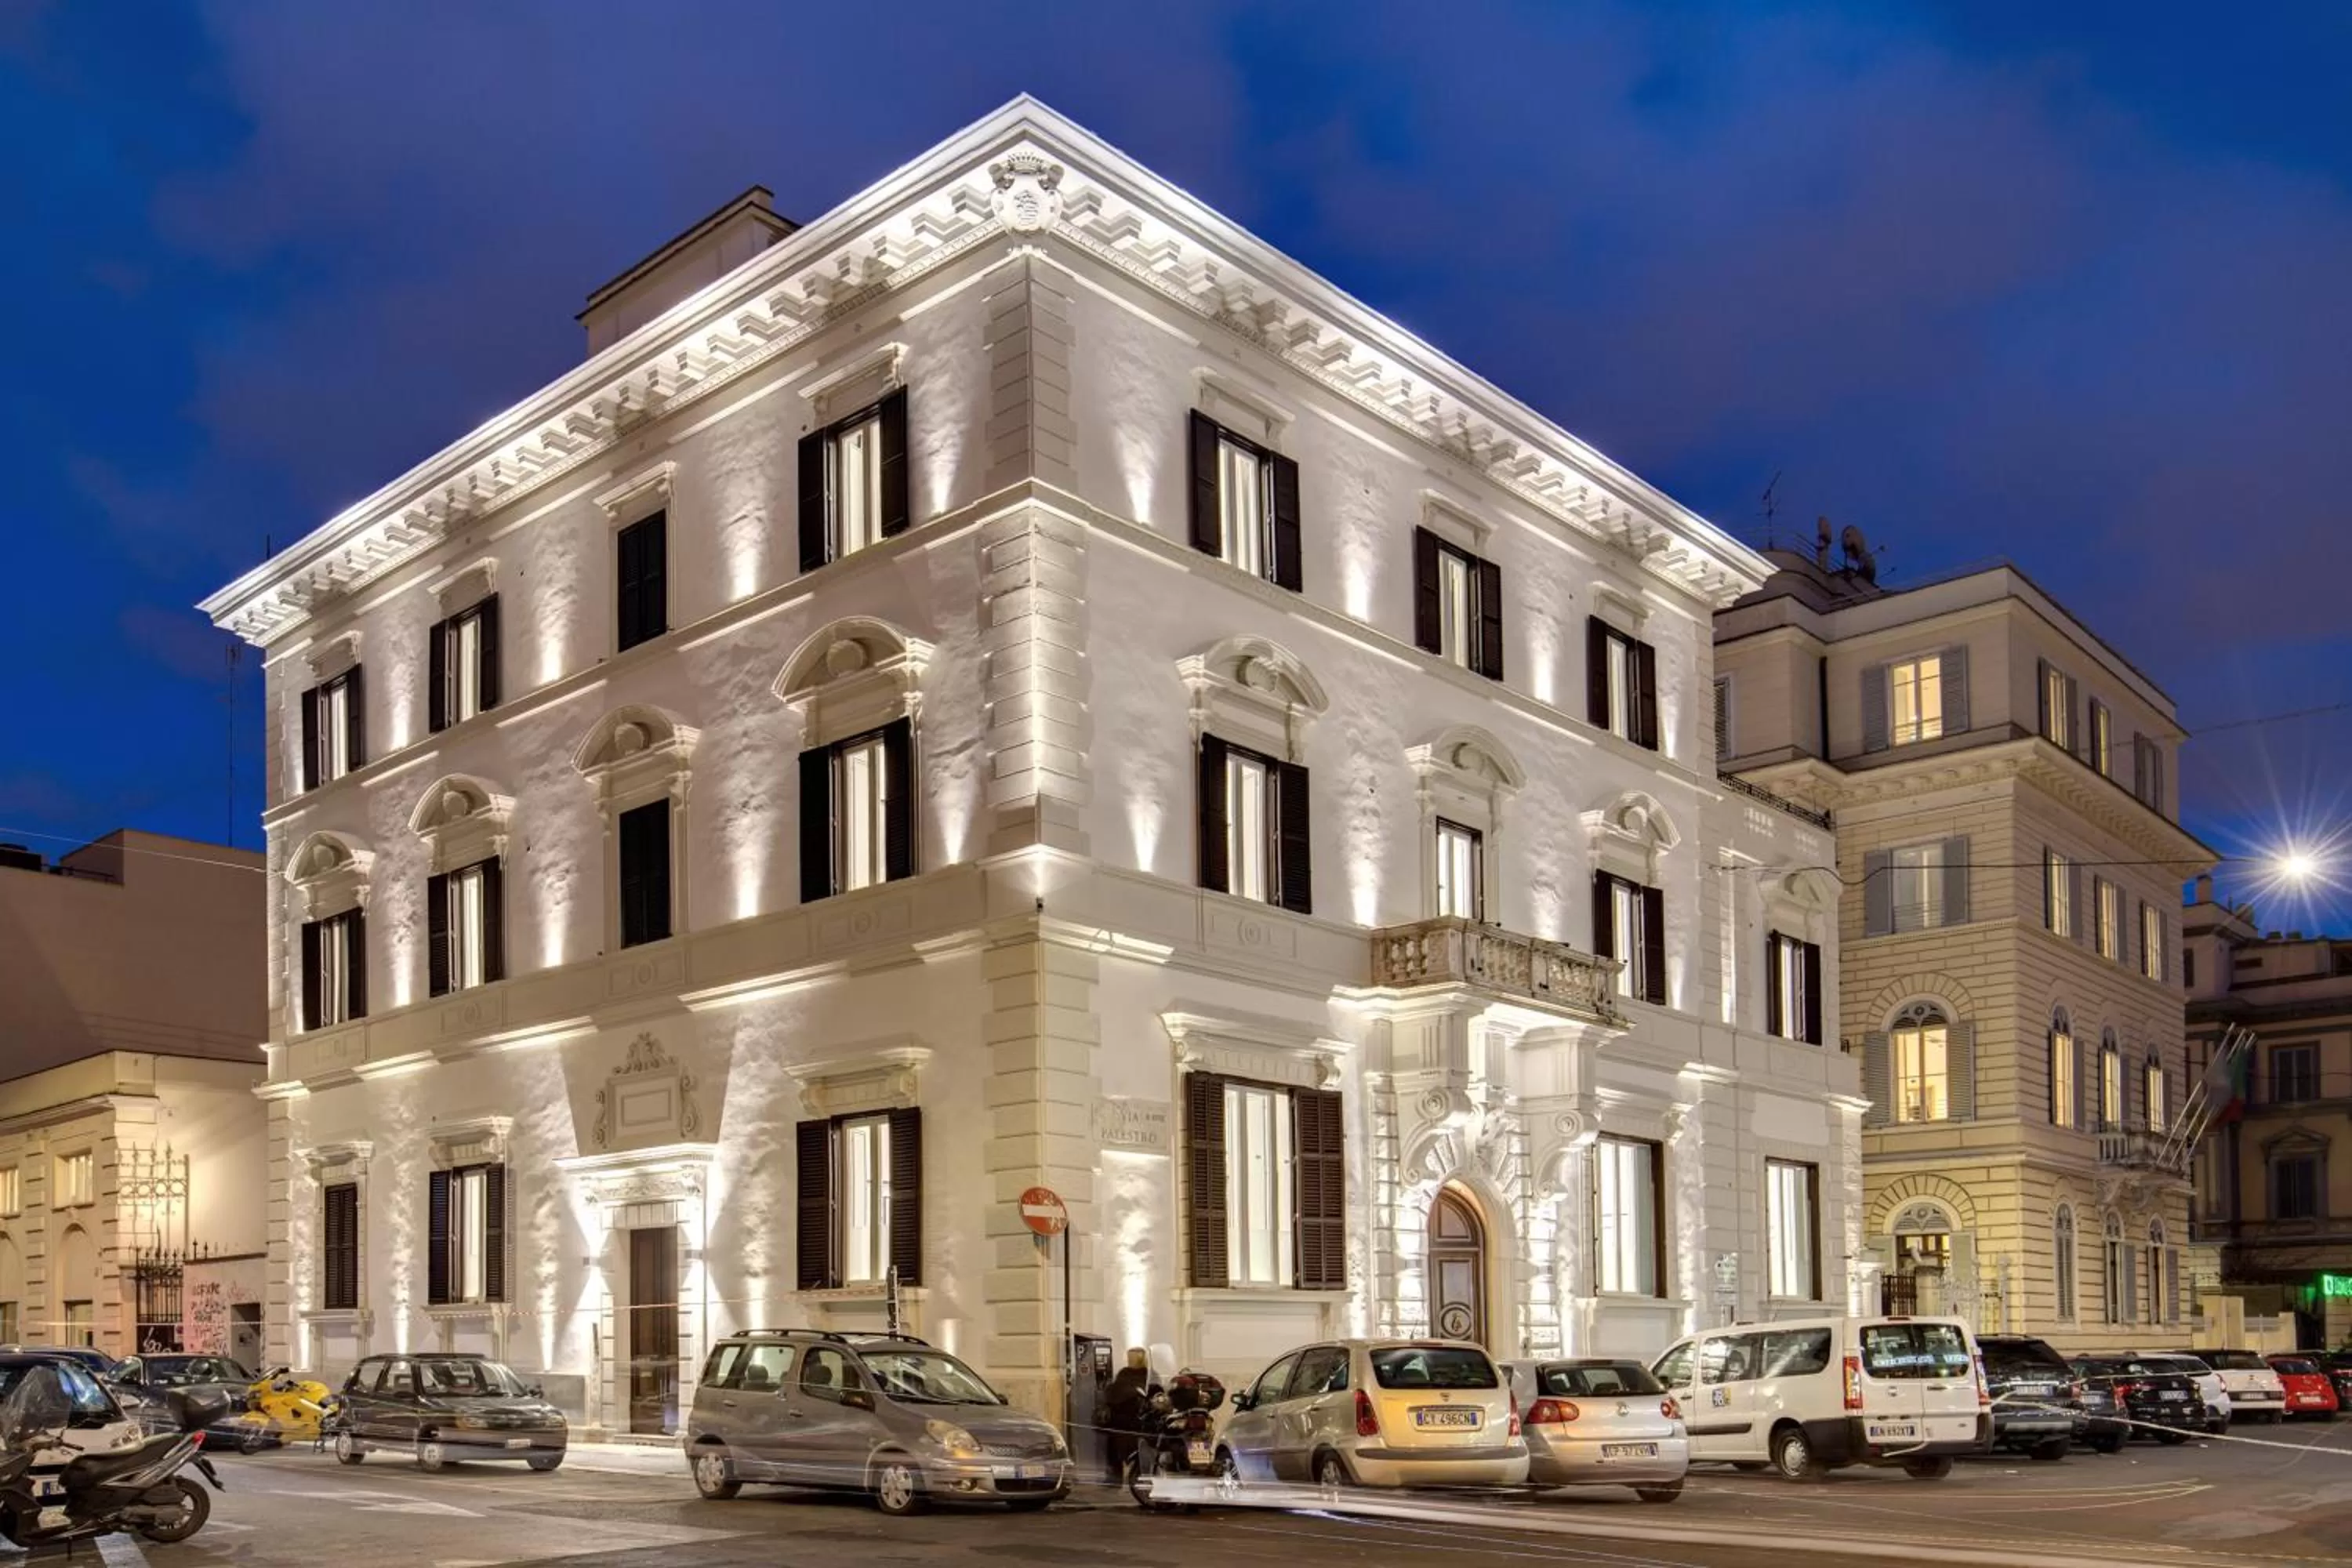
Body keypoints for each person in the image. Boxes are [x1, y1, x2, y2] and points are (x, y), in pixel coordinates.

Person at [1100, 1347, 1154, 1480]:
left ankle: (1117, 1477)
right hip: (1130, 1420)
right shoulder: (1148, 1374)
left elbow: (1114, 1393)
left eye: (1132, 1357)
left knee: (1117, 1450)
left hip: (1126, 1421)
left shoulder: (1128, 1374)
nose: (1129, 1360)